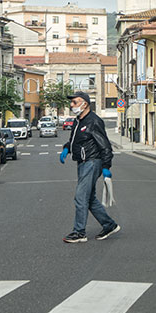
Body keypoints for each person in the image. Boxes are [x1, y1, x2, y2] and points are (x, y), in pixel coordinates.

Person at [59, 91, 120, 243]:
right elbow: (75, 140)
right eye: (71, 102)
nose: (71, 105)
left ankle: (79, 232)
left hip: (92, 162)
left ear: (84, 104)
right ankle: (109, 225)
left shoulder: (94, 121)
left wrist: (106, 166)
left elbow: (105, 146)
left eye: (75, 102)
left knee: (80, 197)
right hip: (82, 162)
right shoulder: (78, 121)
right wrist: (67, 148)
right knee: (89, 198)